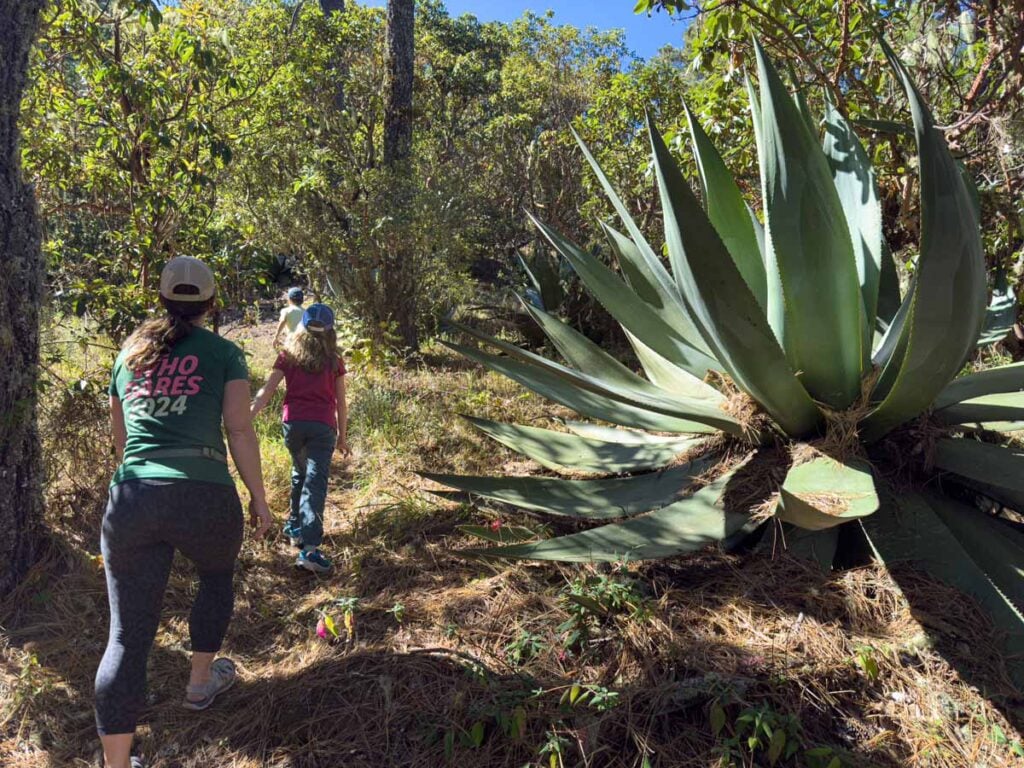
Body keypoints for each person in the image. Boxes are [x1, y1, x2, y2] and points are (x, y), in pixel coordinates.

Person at [96, 256, 272, 768]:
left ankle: (116, 762)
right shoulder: (223, 353)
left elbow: (121, 439)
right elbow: (239, 429)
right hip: (204, 491)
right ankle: (200, 683)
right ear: (210, 304)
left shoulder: (128, 355)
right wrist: (259, 498)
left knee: (126, 636)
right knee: (216, 576)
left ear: (162, 298)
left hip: (132, 495)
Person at [251, 303, 350, 574]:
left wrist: (248, 415)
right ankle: (309, 549)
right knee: (315, 483)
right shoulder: (334, 361)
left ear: (302, 327)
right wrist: (343, 436)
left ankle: (295, 525)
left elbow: (267, 390)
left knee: (300, 472)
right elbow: (341, 403)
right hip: (322, 427)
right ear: (331, 331)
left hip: (293, 425)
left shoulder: (288, 355)